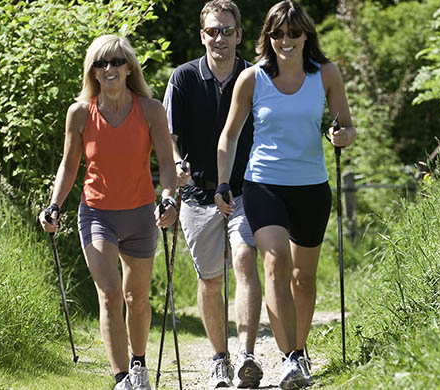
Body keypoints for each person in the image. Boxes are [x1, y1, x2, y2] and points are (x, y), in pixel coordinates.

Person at [214, 1, 357, 388]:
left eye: (293, 33)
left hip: (311, 186)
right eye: (278, 33)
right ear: (268, 37)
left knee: (303, 278)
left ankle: (300, 348)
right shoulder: (253, 78)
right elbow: (229, 134)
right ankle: (290, 357)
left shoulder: (325, 74)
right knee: (275, 264)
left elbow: (346, 125)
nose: (286, 40)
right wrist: (224, 182)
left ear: (306, 34)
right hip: (264, 184)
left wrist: (341, 135)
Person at [38, 34, 177, 390]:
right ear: (93, 72)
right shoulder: (80, 113)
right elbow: (69, 166)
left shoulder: (150, 109)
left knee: (137, 298)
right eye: (101, 63)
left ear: (130, 66)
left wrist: (169, 198)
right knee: (110, 293)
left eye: (116, 61)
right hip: (97, 213)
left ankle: (139, 363)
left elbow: (165, 162)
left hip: (142, 213)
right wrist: (54, 205)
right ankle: (121, 379)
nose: (109, 68)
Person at [161, 0, 264, 388]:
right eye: (212, 31)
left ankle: (247, 356)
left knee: (244, 259)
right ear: (202, 35)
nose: (219, 38)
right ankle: (219, 358)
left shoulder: (255, 77)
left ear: (239, 35)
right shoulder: (183, 78)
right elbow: (166, 138)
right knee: (210, 280)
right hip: (198, 194)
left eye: (226, 30)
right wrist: (176, 165)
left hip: (245, 192)